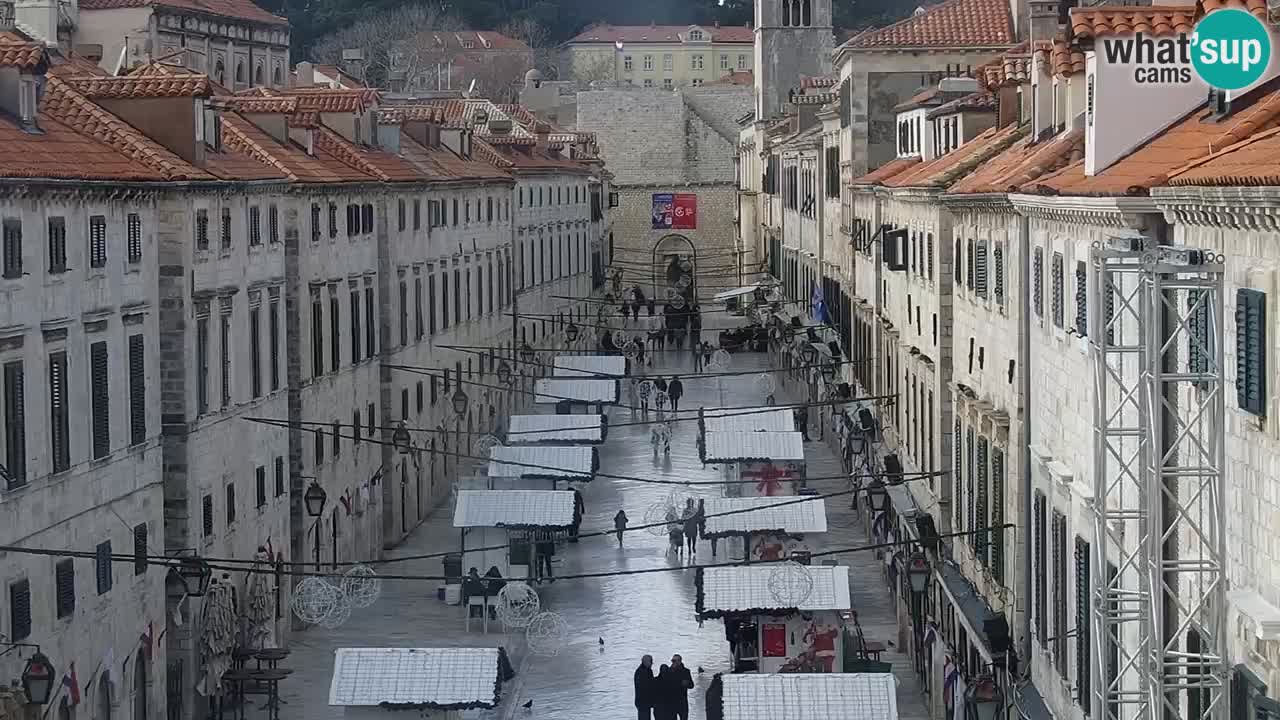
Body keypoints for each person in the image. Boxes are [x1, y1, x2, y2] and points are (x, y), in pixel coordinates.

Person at [667, 655, 695, 720]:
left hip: (682, 702)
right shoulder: (669, 671)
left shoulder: (686, 671)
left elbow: (691, 685)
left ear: (679, 662)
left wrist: (687, 683)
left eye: (674, 661)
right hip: (672, 702)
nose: (672, 662)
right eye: (672, 660)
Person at [634, 655, 656, 720]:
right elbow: (645, 686)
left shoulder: (648, 670)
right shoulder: (640, 672)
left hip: (646, 701)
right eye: (651, 662)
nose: (652, 663)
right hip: (642, 701)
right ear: (645, 662)